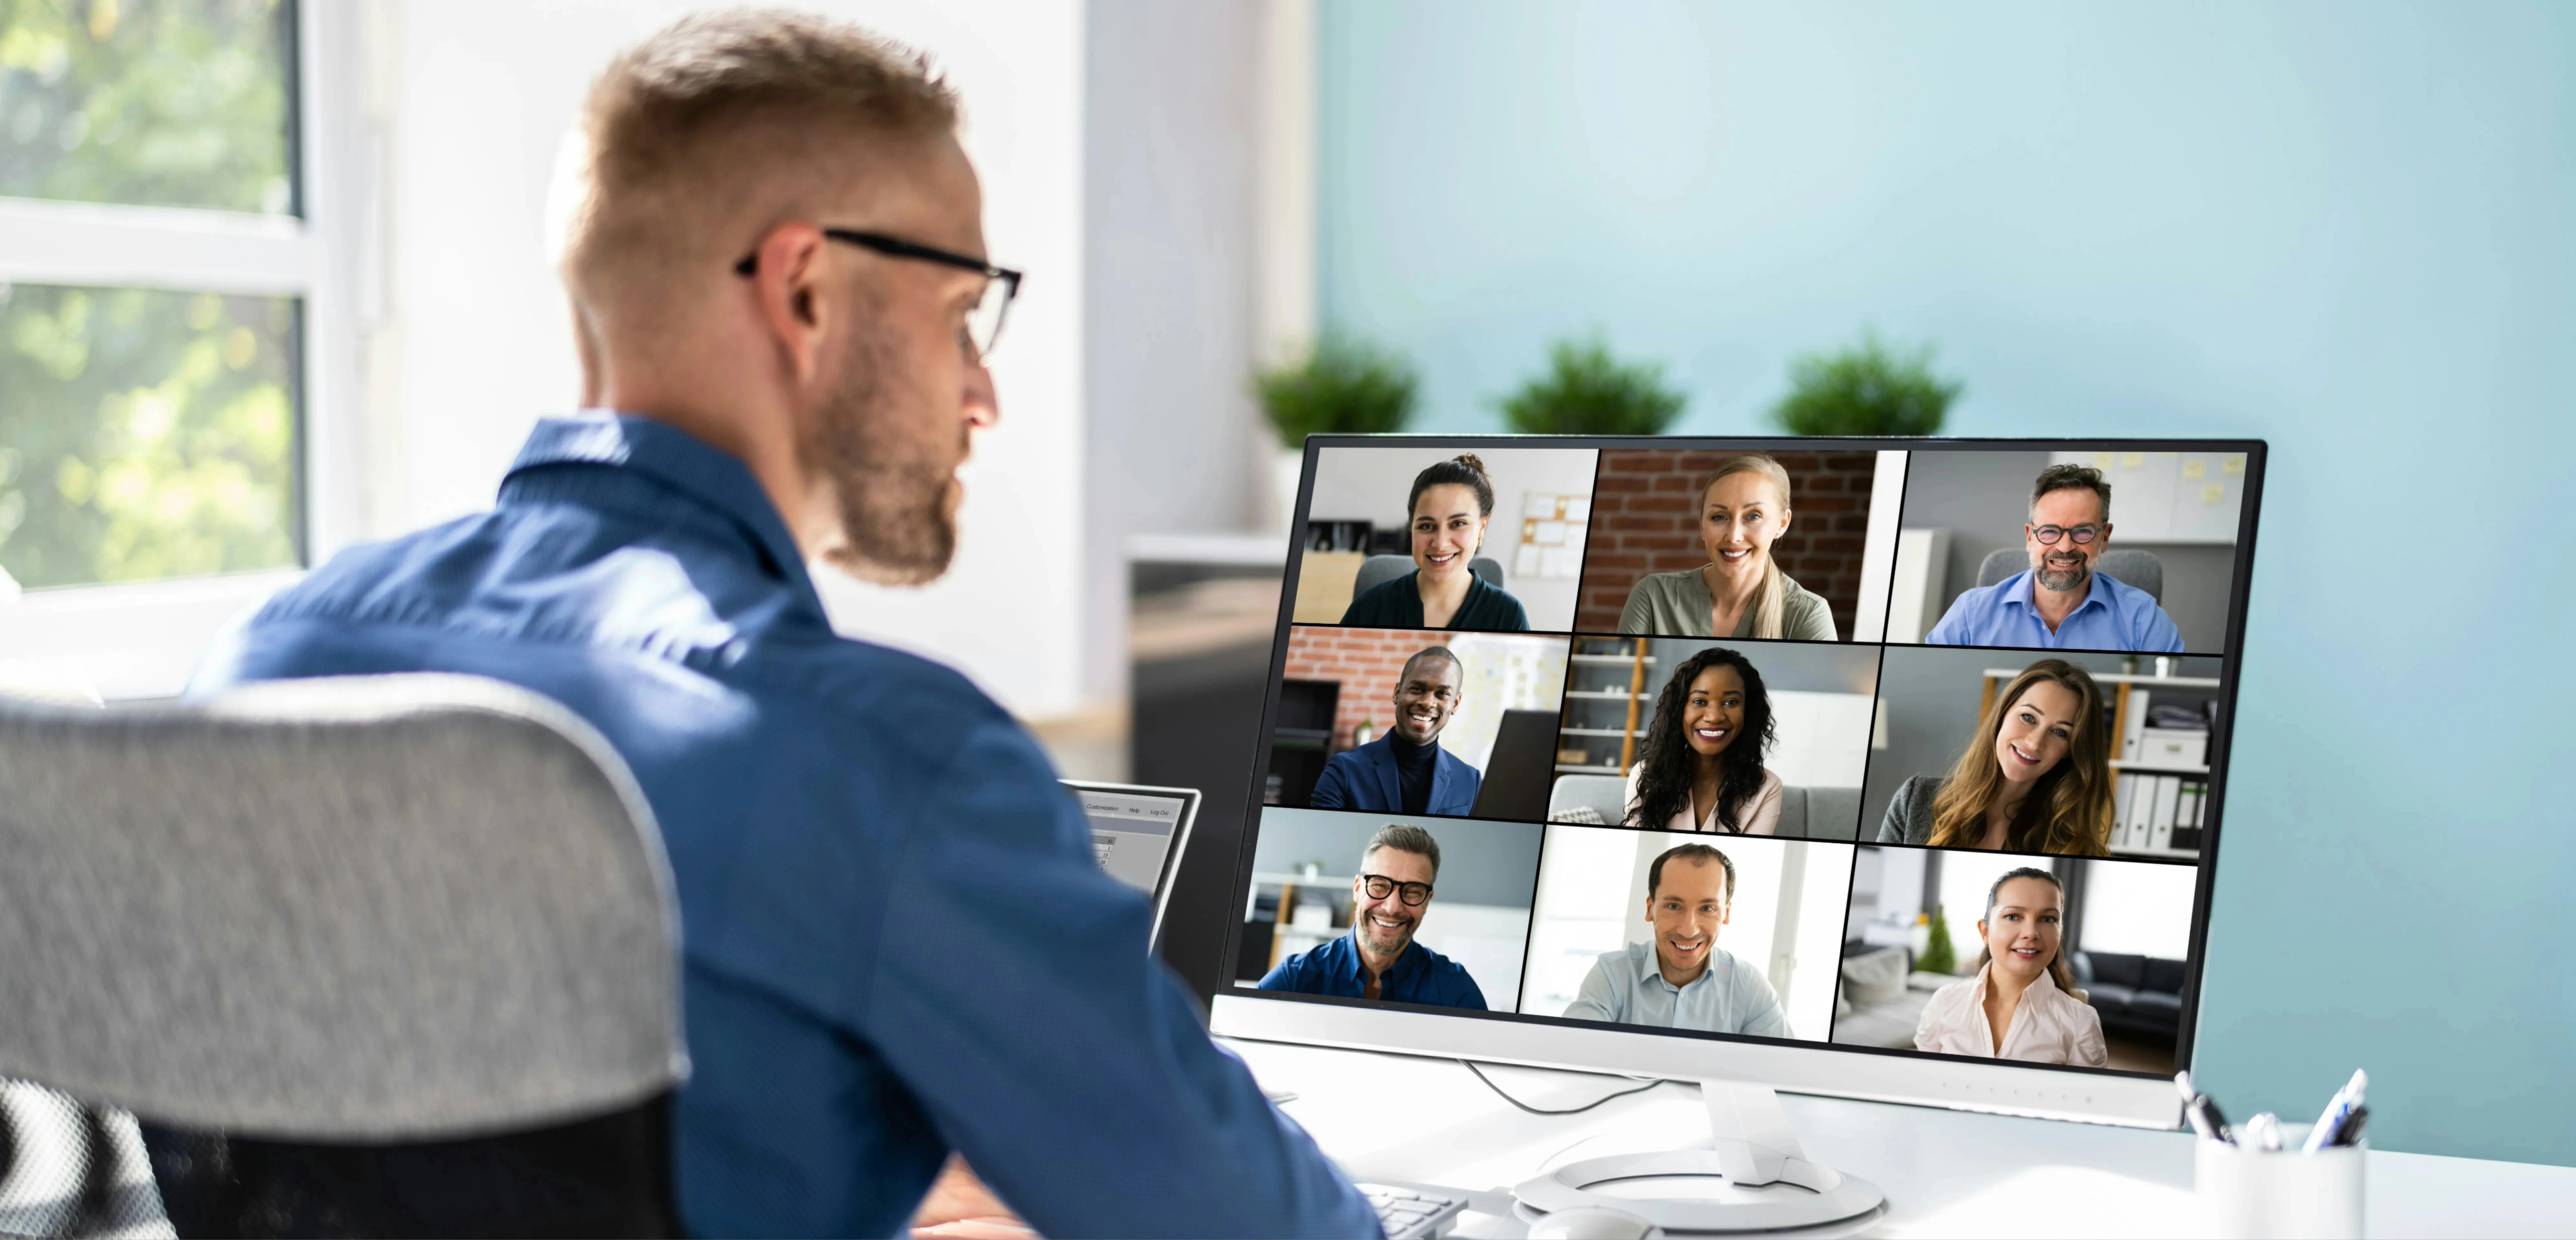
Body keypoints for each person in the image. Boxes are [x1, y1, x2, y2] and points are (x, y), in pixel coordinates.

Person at [182, 14, 1374, 1238]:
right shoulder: (883, 763)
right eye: (962, 309)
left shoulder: (264, 660)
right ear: (804, 290)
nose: (984, 390)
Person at [1924, 463, 2185, 652]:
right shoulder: (1971, 614)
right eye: (2050, 531)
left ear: (2104, 538)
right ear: (2030, 538)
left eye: (2082, 532)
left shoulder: (2143, 618)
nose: (2064, 547)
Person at [1875, 659, 2115, 856]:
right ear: (2003, 714)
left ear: (2071, 751)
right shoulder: (1915, 799)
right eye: (2029, 718)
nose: (2034, 742)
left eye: (2060, 732)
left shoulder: (2077, 847)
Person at [1562, 843, 1789, 1037]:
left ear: (1726, 914)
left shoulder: (1750, 987)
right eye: (1673, 906)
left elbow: (1784, 1067)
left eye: (1707, 908)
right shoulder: (1612, 975)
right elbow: (1573, 1050)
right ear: (1651, 909)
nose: (1689, 931)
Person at [1258, 825, 1487, 1009]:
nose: (1392, 907)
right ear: (1358, 888)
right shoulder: (1294, 979)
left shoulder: (1456, 992)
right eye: (1379, 885)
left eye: (1414, 891)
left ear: (1427, 901)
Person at [1618, 455, 1836, 641]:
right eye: (1719, 517)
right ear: (1702, 525)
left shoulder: (1809, 614)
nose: (1733, 536)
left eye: (1753, 516)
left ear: (1782, 524)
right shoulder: (1653, 596)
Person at [1914, 868, 2107, 1067]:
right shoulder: (1945, 1002)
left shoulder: (2081, 1022)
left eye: (2048, 919)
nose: (2031, 933)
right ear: (1985, 932)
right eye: (2013, 916)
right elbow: (1922, 1078)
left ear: (2061, 933)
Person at [1340, 454, 1532, 631]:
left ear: (1482, 528)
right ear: (1412, 528)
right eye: (1427, 526)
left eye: (1458, 524)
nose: (1441, 544)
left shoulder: (1510, 616)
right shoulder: (1370, 608)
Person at [1624, 647, 1783, 835]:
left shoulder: (1767, 788)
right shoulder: (1645, 775)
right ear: (1680, 710)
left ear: (1748, 712)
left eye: (1731, 702)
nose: (1715, 717)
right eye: (1700, 701)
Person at [1309, 647, 1483, 816]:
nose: (1428, 703)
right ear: (1397, 693)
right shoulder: (1344, 770)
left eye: (1442, 694)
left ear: (1456, 704)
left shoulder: (1470, 781)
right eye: (1417, 689)